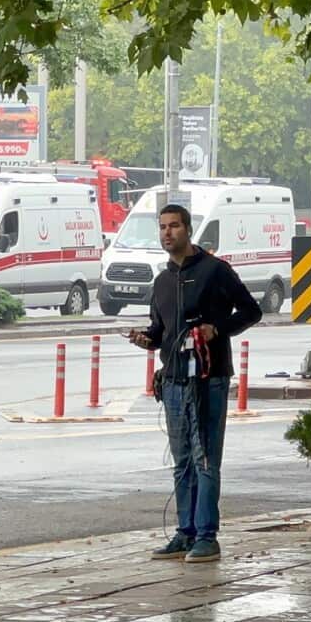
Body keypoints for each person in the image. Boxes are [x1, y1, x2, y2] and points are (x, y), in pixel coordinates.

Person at [127, 204, 262, 563]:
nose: (167, 233)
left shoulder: (216, 271)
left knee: (205, 459)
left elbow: (251, 311)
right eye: (162, 228)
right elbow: (161, 332)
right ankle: (184, 533)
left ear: (188, 229)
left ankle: (207, 535)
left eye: (174, 226)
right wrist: (146, 339)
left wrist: (217, 329)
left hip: (208, 378)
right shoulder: (162, 281)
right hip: (173, 381)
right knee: (182, 459)